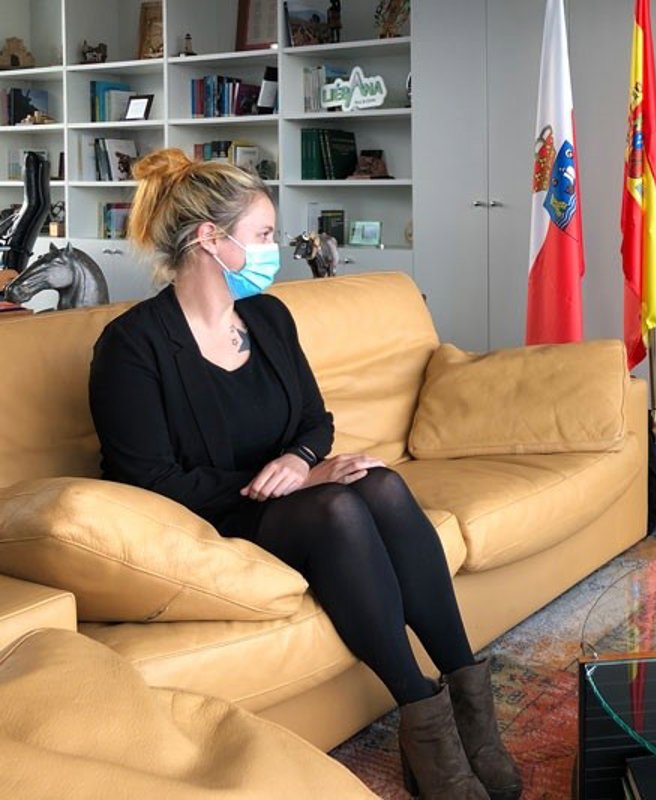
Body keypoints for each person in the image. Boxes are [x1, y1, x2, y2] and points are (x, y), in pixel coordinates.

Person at [88, 149, 521, 800]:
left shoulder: (268, 318)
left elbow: (316, 421)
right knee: (336, 507)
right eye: (262, 235)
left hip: (290, 495)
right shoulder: (132, 346)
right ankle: (421, 715)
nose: (273, 250)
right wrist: (301, 482)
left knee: (380, 483)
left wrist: (300, 461)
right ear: (210, 239)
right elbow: (148, 480)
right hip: (211, 513)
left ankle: (471, 709)